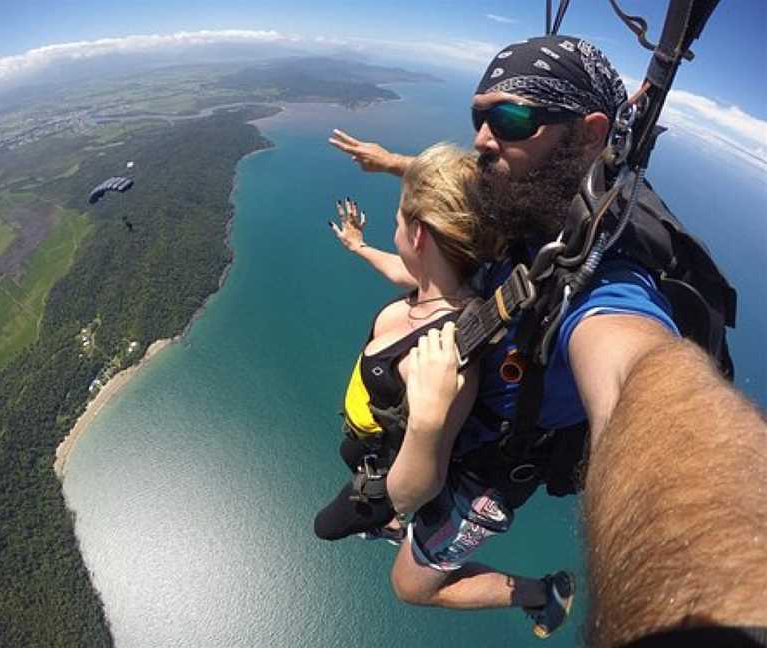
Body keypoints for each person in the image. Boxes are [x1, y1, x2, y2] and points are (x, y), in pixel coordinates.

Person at [329, 34, 766, 646]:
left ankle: (542, 592)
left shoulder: (602, 289)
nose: (483, 138)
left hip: (479, 480)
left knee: (411, 584)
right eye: (478, 116)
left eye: (509, 119)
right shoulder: (525, 209)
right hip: (450, 436)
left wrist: (724, 601)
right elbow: (471, 187)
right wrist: (395, 163)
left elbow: (641, 377)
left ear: (588, 134)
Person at [315, 143, 573, 636]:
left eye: (397, 222)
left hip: (468, 488)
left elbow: (418, 488)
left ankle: (546, 592)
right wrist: (359, 246)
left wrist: (430, 420)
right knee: (353, 476)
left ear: (418, 234)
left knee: (405, 583)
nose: (394, 235)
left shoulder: (439, 357)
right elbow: (404, 271)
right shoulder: (452, 280)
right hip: (392, 446)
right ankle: (395, 529)